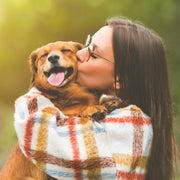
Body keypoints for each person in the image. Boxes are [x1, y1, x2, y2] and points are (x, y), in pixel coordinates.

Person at [13, 17, 176, 180]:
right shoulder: (101, 109)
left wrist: (36, 89)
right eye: (87, 44)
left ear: (119, 78)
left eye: (94, 54)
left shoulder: (133, 123)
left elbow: (34, 127)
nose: (79, 53)